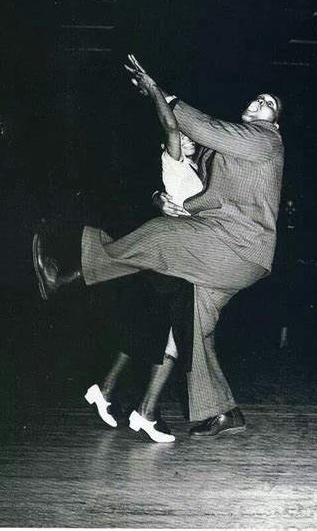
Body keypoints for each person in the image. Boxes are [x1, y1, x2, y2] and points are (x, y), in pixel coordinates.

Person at [33, 56, 284, 438]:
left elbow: (202, 126)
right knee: (193, 327)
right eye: (258, 98)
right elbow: (188, 159)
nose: (261, 102)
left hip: (239, 246)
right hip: (224, 253)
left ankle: (67, 277)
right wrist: (158, 195)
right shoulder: (221, 153)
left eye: (270, 104)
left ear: (274, 121)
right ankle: (222, 411)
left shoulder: (265, 141)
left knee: (162, 235)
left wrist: (157, 90)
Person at [84, 56, 203, 442]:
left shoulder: (196, 170)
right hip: (172, 258)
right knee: (167, 339)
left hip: (174, 257)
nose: (186, 138)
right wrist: (154, 90)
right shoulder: (175, 160)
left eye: (190, 137)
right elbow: (169, 124)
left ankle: (107, 391)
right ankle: (145, 412)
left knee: (147, 332)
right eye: (182, 135)